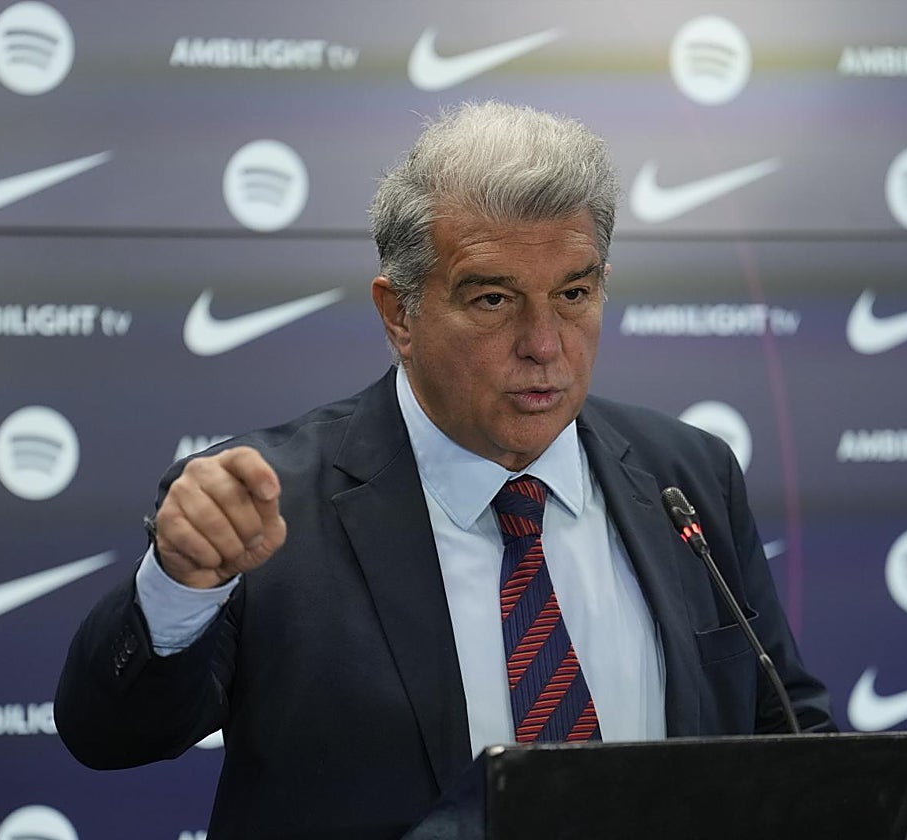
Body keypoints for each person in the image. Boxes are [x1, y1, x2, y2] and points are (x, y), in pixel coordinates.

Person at [55, 101, 834, 839]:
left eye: (574, 293)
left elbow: (788, 730)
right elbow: (112, 734)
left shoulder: (686, 474)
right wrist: (180, 588)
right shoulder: (265, 505)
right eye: (495, 299)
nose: (545, 344)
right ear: (400, 314)